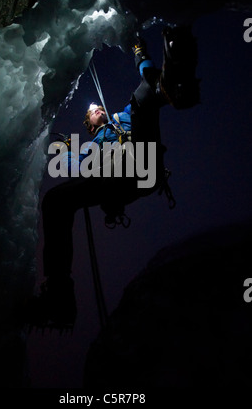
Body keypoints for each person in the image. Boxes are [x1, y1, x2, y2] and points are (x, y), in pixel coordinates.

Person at [25, 25, 200, 331]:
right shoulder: (91, 146)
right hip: (122, 179)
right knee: (56, 200)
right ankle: (59, 295)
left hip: (140, 165)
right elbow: (74, 168)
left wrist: (138, 51)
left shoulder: (121, 119)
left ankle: (172, 78)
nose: (96, 109)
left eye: (96, 108)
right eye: (92, 111)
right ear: (89, 125)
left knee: (145, 93)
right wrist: (66, 149)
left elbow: (144, 96)